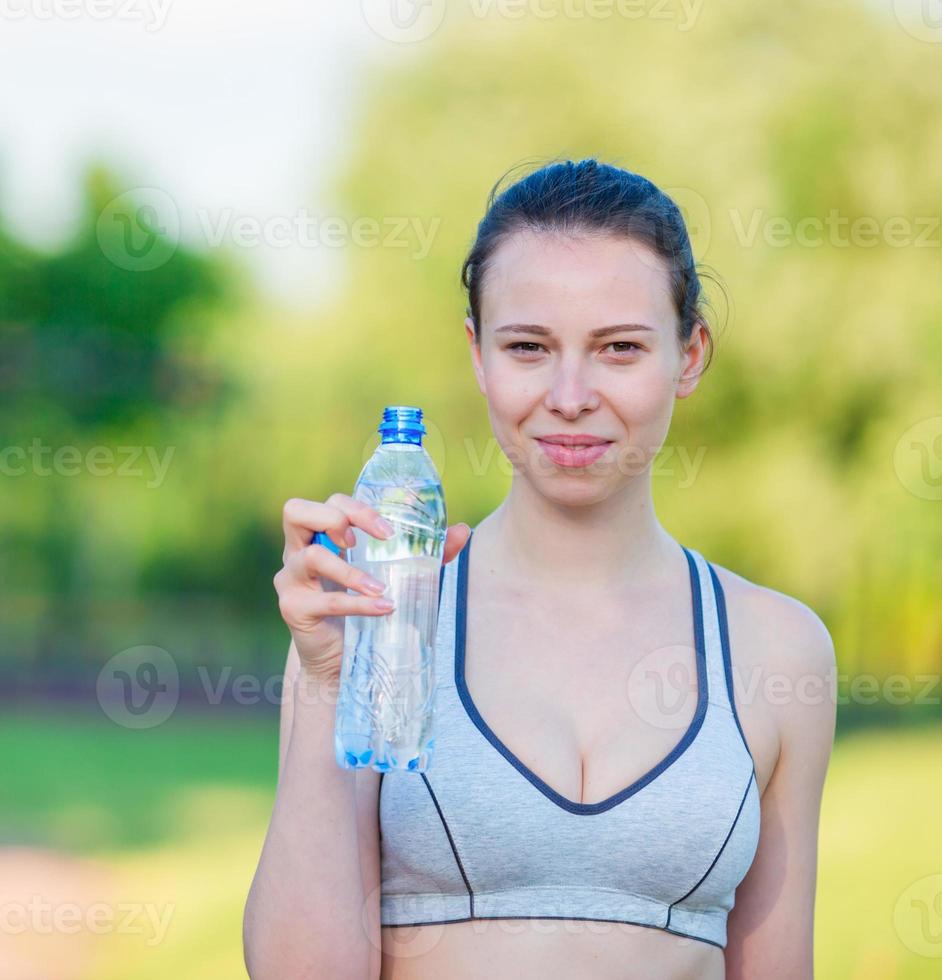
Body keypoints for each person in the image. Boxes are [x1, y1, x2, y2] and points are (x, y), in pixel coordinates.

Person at [243, 158, 836, 979]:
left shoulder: (778, 648)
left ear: (690, 354)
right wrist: (321, 683)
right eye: (528, 347)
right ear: (478, 354)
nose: (569, 395)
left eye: (619, 349)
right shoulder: (376, 619)